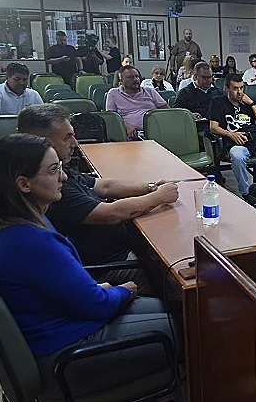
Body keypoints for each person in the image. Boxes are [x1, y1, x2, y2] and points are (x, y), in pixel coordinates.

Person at [0, 133, 187, 402]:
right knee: (192, 329)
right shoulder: (30, 241)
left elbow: (63, 290)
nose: (63, 177)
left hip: (61, 334)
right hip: (66, 358)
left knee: (175, 311)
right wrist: (122, 291)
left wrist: (101, 290)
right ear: (24, 184)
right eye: (53, 171)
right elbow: (98, 306)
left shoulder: (23, 223)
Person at [17, 104, 179, 289]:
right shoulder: (51, 187)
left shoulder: (58, 171)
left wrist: (150, 188)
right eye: (67, 137)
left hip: (122, 253)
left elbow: (104, 186)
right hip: (109, 268)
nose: (75, 143)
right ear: (43, 142)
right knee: (174, 278)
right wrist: (159, 197)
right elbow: (111, 214)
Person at [208, 73, 256, 205]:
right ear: (227, 88)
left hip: (255, 139)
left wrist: (252, 104)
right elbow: (213, 127)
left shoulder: (248, 101)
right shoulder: (218, 102)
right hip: (235, 142)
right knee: (237, 156)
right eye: (235, 88)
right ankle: (246, 192)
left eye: (241, 88)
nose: (239, 92)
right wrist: (230, 134)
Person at [105, 65, 168, 139]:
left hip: (156, 131)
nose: (135, 79)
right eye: (130, 77)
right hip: (129, 134)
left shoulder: (149, 91)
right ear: (121, 81)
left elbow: (167, 109)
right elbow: (111, 118)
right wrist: (126, 126)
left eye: (137, 77)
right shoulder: (114, 93)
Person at [173, 61, 223, 133]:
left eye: (210, 77)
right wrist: (190, 115)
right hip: (196, 128)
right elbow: (177, 113)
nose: (209, 80)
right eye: (205, 78)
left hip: (217, 125)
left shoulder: (218, 92)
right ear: (195, 77)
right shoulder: (185, 93)